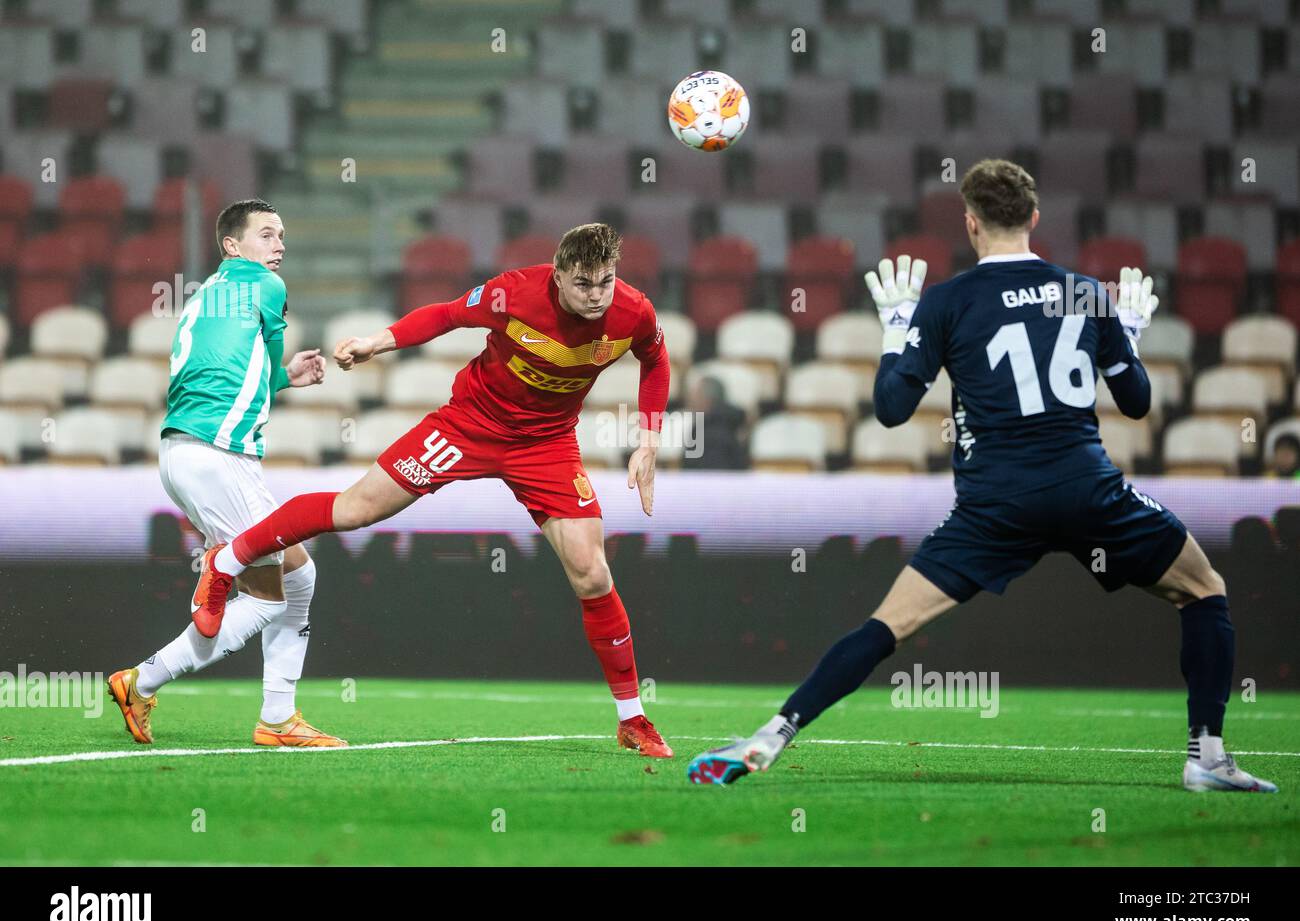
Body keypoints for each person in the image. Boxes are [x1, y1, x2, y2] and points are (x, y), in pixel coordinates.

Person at [687, 159, 1276, 793]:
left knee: (886, 626)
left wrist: (895, 328)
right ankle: (1206, 757)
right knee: (1204, 589)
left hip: (996, 503)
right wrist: (1126, 335)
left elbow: (890, 410)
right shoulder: (1085, 293)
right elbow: (1135, 403)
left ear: (970, 224)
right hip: (1088, 490)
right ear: (1035, 219)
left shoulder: (947, 301)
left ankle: (773, 735)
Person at [182, 223, 675, 758]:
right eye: (584, 284)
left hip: (547, 446)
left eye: (606, 282)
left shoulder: (634, 310)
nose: (597, 296)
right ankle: (228, 560)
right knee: (354, 510)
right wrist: (377, 342)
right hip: (469, 425)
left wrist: (648, 440)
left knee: (592, 571)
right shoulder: (515, 292)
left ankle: (632, 718)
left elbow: (655, 358)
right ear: (558, 275)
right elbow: (445, 315)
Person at [107, 198, 344, 747]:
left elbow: (223, 374)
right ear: (233, 246)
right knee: (264, 598)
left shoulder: (209, 296)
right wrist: (281, 366)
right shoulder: (265, 286)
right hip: (216, 456)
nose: (278, 245)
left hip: (188, 452)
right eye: (266, 234)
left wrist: (282, 379)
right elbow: (267, 350)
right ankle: (142, 681)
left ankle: (278, 716)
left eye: (282, 234)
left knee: (299, 577)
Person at [681, 374, 748, 470]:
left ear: (706, 400)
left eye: (694, 396)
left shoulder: (707, 431)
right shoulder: (735, 422)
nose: (690, 400)